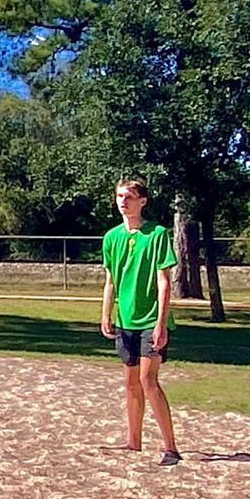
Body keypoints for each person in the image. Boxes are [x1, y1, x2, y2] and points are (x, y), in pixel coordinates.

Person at [101, 177, 181, 463]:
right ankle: (133, 442)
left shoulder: (157, 234)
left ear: (143, 201)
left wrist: (161, 323)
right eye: (120, 196)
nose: (124, 201)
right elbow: (110, 279)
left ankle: (170, 447)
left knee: (149, 380)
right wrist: (105, 313)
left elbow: (164, 282)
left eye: (130, 196)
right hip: (126, 320)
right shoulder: (112, 238)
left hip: (150, 320)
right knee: (131, 383)